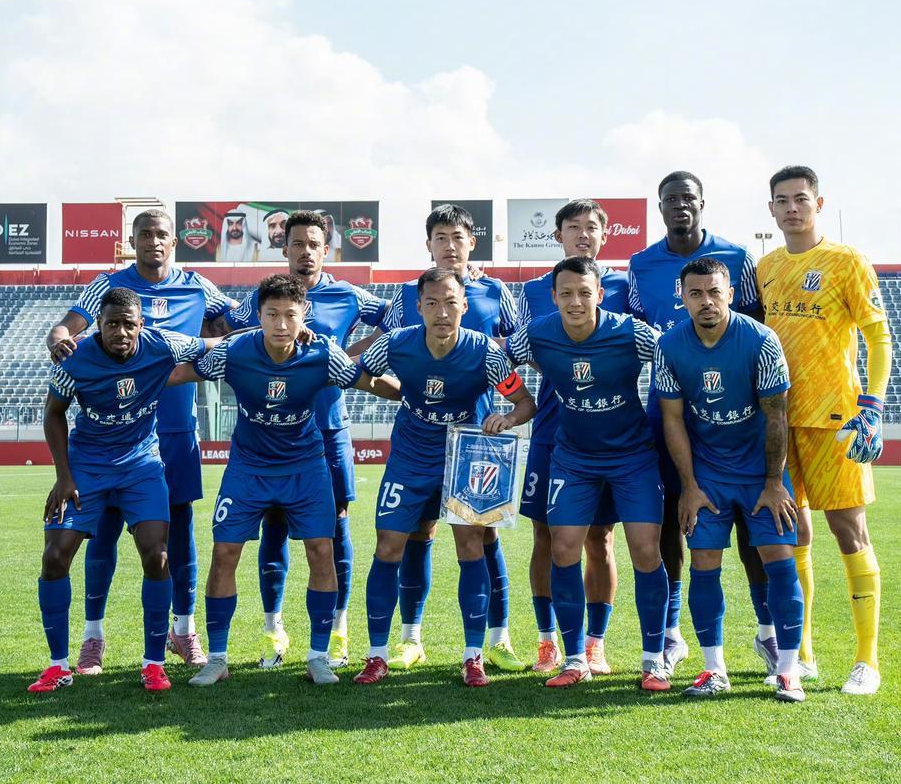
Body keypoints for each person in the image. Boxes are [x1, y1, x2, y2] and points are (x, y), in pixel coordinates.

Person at [182, 275, 399, 686]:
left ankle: (318, 656)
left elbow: (369, 382)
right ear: (258, 315)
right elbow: (183, 373)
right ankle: (218, 658)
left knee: (321, 549)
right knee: (224, 552)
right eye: (272, 315)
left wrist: (416, 392)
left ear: (304, 317)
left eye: (289, 315)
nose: (281, 324)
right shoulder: (233, 352)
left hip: (305, 467)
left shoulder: (323, 354)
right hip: (248, 469)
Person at [45, 209, 236, 674]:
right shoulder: (107, 285)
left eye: (161, 234)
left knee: (176, 538)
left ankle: (183, 630)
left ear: (174, 242)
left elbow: (235, 325)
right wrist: (57, 337)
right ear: (133, 241)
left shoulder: (199, 286)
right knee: (102, 535)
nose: (153, 241)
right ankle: (92, 637)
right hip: (110, 437)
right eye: (144, 234)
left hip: (175, 433)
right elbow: (68, 327)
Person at [353, 204, 525, 674]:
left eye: (458, 237)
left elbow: (518, 352)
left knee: (482, 540)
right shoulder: (407, 304)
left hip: (475, 443)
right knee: (409, 537)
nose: (450, 245)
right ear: (429, 245)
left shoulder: (497, 294)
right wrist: (393, 389)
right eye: (441, 237)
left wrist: (508, 414)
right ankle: (405, 640)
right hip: (416, 443)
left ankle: (494, 640)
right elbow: (370, 362)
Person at [216, 210, 389, 670]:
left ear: (326, 249)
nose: (306, 252)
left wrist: (348, 354)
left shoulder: (348, 294)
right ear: (285, 248)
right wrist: (280, 332)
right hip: (270, 434)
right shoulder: (265, 297)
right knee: (272, 523)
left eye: (314, 244)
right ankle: (273, 628)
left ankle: (337, 629)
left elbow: (400, 316)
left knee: (335, 530)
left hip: (329, 429)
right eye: (297, 244)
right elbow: (225, 327)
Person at [30, 287, 218, 694]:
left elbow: (217, 343)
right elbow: (53, 413)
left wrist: (281, 332)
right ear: (98, 324)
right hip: (86, 467)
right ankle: (58, 665)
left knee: (158, 555)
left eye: (128, 324)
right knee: (54, 557)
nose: (120, 332)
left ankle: (153, 663)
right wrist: (64, 477)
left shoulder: (164, 344)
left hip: (140, 466)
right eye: (112, 323)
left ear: (141, 325)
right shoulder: (74, 359)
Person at [625, 171, 776, 675]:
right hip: (669, 411)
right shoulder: (640, 264)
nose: (680, 206)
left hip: (734, 419)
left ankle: (768, 632)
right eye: (670, 199)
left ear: (702, 203)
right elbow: (636, 331)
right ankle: (671, 635)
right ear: (660, 207)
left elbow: (754, 328)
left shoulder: (737, 257)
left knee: (753, 524)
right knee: (672, 517)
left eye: (688, 198)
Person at [505, 256, 670, 690]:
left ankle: (654, 660)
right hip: (573, 458)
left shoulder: (631, 332)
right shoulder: (537, 334)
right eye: (566, 293)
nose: (575, 302)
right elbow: (496, 361)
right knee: (562, 548)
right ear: (554, 296)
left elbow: (676, 356)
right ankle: (575, 658)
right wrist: (518, 403)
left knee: (645, 551)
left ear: (599, 294)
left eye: (584, 293)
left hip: (632, 457)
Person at [759, 165, 891, 695]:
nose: (791, 207)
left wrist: (872, 405)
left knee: (849, 532)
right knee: (792, 534)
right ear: (771, 209)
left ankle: (866, 660)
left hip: (836, 420)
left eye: (801, 198)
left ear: (819, 204)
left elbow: (879, 337)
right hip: (777, 421)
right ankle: (803, 654)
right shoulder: (766, 267)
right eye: (782, 200)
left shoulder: (847, 261)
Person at [653, 257, 806, 702]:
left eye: (714, 292)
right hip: (708, 475)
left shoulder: (761, 340)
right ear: (683, 298)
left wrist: (774, 483)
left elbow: (777, 416)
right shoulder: (669, 346)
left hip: (761, 472)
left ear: (731, 295)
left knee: (779, 558)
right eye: (696, 293)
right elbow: (673, 419)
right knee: (704, 562)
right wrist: (689, 486)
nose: (706, 301)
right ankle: (713, 668)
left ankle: (788, 670)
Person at [517, 199, 627, 676]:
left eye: (591, 227)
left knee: (600, 537)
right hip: (551, 425)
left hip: (609, 430)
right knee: (545, 533)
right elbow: (518, 350)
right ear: (557, 235)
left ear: (605, 234)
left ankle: (595, 644)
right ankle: (547, 640)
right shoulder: (533, 291)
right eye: (573, 227)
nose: (583, 234)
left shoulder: (623, 286)